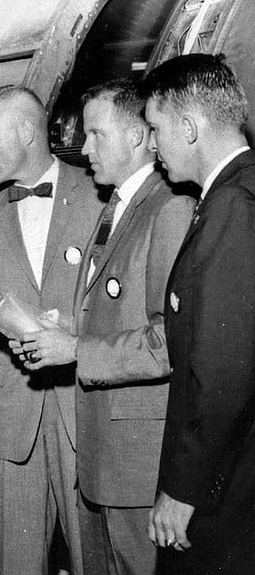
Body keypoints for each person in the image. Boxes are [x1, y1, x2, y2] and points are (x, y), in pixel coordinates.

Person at [14, 79, 192, 574]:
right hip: (100, 458)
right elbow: (113, 312)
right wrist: (63, 327)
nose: (83, 147)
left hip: (136, 464)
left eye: (96, 134)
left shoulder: (169, 210)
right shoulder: (116, 206)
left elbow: (169, 340)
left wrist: (74, 348)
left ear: (137, 137)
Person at [0, 85, 103, 575]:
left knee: (93, 558)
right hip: (12, 415)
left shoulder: (101, 195)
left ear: (25, 131)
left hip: (83, 409)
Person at [143, 54, 255, 574]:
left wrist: (185, 489)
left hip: (225, 485)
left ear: (187, 127)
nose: (152, 145)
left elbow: (223, 370)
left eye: (155, 128)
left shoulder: (231, 208)